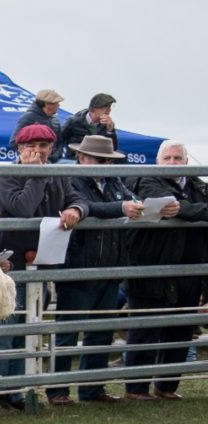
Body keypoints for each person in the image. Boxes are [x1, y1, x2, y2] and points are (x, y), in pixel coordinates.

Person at [0, 124, 88, 413]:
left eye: (44, 146)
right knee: (5, 332)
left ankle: (17, 392)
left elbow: (77, 197)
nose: (39, 152)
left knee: (28, 330)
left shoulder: (57, 175)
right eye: (32, 146)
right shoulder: (7, 177)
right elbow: (22, 208)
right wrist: (36, 174)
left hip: (42, 261)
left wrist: (76, 210)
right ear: (19, 149)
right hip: (12, 265)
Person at [47, 136, 145, 405]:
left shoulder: (115, 182)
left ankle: (92, 389)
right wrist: (121, 208)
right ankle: (58, 391)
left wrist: (141, 206)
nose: (101, 164)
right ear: (81, 158)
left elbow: (129, 200)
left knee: (101, 330)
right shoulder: (72, 181)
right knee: (68, 330)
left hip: (109, 265)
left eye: (105, 160)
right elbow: (87, 207)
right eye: (95, 158)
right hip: (78, 266)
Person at [124, 140, 206, 400]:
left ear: (186, 162)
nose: (172, 163)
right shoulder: (144, 179)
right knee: (145, 328)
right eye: (167, 158)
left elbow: (177, 207)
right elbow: (159, 203)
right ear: (157, 162)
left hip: (188, 268)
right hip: (150, 266)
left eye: (177, 158)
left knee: (181, 331)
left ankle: (167, 386)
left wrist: (184, 209)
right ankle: (136, 389)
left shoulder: (198, 186)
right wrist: (191, 211)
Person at [9, 89, 64, 163]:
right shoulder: (28, 117)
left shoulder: (55, 120)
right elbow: (14, 142)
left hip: (53, 161)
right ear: (47, 104)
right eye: (55, 102)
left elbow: (59, 142)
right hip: (31, 161)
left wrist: (54, 157)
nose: (58, 105)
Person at [61, 94, 119, 161]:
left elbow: (113, 149)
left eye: (110, 107)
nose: (109, 110)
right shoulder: (74, 121)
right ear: (94, 109)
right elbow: (60, 139)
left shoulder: (107, 124)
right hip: (75, 159)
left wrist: (110, 130)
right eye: (105, 107)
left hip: (98, 159)